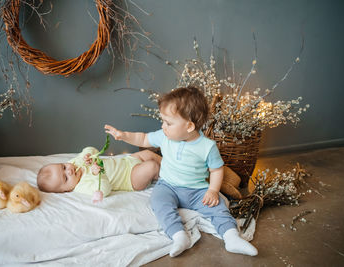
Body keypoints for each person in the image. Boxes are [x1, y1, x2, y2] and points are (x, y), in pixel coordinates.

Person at [104, 86, 258, 257]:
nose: (163, 126)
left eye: (168, 123)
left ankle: (232, 238)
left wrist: (213, 191)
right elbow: (143, 138)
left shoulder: (207, 146)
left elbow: (216, 170)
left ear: (189, 126)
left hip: (197, 191)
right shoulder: (165, 136)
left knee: (219, 206)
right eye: (163, 121)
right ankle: (179, 235)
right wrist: (123, 135)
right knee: (158, 201)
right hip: (168, 186)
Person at [37, 147, 161, 198]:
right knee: (151, 166)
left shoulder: (75, 162)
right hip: (130, 178)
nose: (69, 171)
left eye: (63, 167)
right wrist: (98, 175)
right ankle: (169, 176)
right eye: (65, 178)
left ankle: (175, 166)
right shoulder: (82, 186)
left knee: (148, 154)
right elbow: (105, 190)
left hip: (127, 161)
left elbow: (90, 148)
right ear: (67, 190)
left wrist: (89, 155)